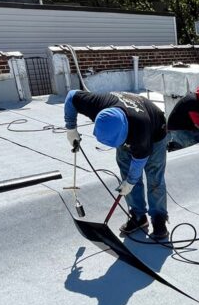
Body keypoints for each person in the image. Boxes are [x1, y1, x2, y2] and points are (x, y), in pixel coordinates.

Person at [64, 89, 169, 240]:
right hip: (127, 125)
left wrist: (131, 182)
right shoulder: (96, 105)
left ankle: (159, 219)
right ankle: (138, 216)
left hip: (155, 130)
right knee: (127, 174)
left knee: (154, 178)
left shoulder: (141, 129)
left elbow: (140, 160)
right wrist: (71, 128)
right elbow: (71, 96)